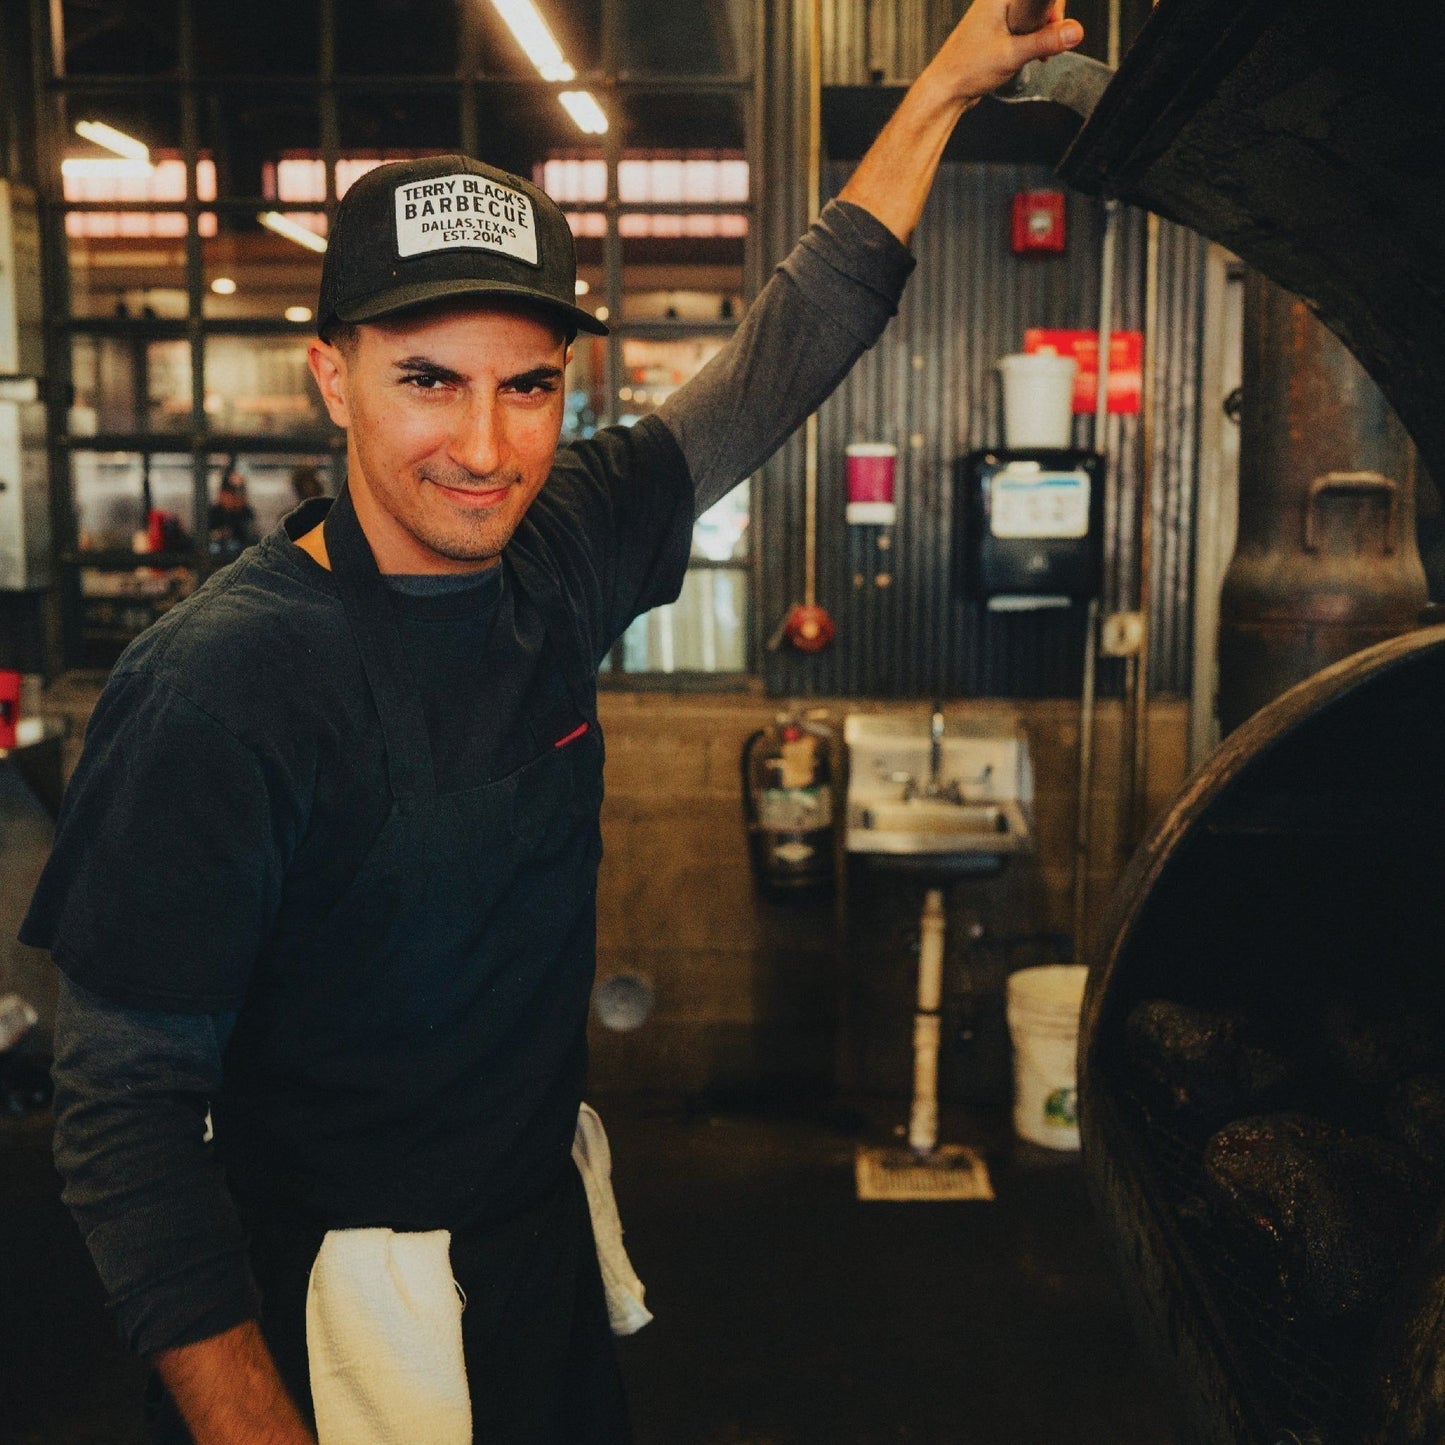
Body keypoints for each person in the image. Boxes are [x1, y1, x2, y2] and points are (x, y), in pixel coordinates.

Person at [24, 5, 1082, 1441]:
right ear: (332, 374)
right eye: (428, 381)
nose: (484, 446)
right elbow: (123, 1110)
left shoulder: (560, 546)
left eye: (527, 386)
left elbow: (792, 343)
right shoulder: (219, 690)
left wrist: (946, 87)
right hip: (329, 1315)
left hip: (532, 1264)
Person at [206, 466, 259, 557]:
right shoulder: (215, 511)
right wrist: (217, 534)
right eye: (232, 491)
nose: (236, 495)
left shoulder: (246, 511)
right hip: (217, 551)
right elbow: (206, 533)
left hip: (241, 552)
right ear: (223, 492)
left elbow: (252, 535)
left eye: (240, 490)